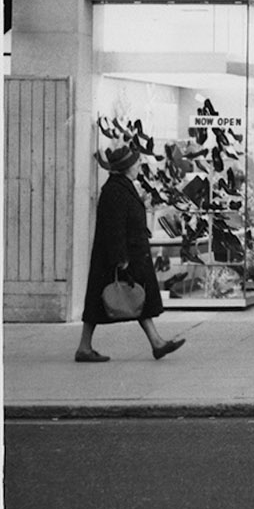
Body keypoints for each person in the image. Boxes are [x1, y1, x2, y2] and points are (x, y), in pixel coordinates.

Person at [74, 144, 185, 363]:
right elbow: (114, 227)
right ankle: (85, 348)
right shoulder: (115, 190)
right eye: (136, 163)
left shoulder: (121, 186)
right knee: (117, 300)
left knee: (133, 299)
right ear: (127, 167)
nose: (139, 166)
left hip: (128, 253)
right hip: (121, 256)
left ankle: (156, 342)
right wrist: (120, 258)